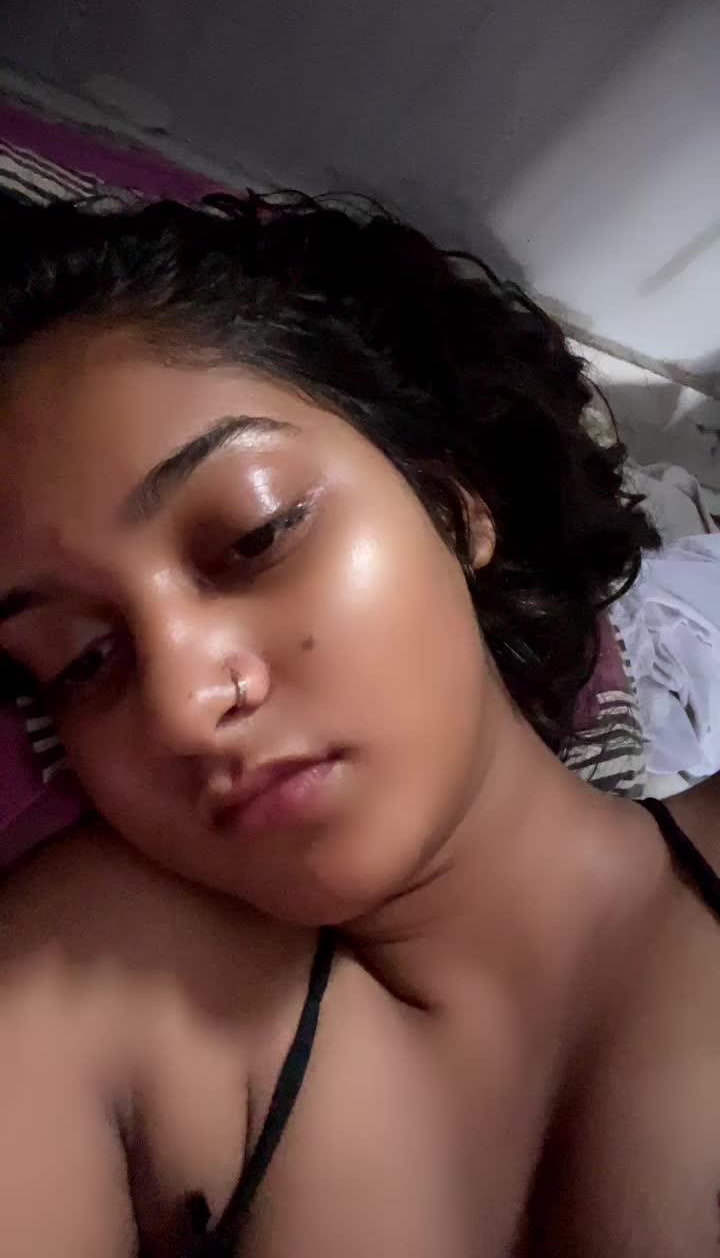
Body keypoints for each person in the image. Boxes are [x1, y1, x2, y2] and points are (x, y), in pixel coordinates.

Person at [0, 194, 715, 1258]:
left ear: (452, 504)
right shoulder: (96, 973)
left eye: (255, 537)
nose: (183, 707)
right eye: (82, 660)